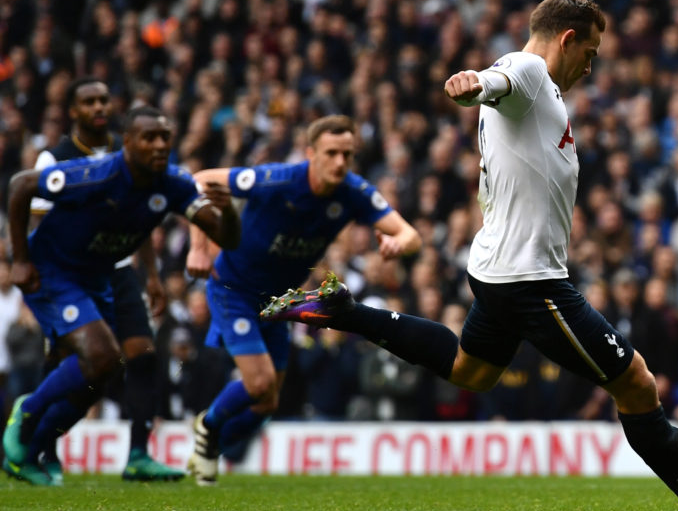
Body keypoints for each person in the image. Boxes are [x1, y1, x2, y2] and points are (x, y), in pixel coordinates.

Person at [261, 0, 678, 511]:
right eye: (590, 53)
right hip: (529, 280)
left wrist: (483, 86)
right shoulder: (530, 71)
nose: (591, 66)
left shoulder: (539, 92)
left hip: (497, 268)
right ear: (567, 39)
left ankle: (346, 312)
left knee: (470, 371)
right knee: (636, 380)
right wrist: (472, 84)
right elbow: (498, 79)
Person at [2, 106, 240, 485]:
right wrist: (19, 260)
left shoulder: (172, 184)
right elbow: (21, 185)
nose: (159, 145)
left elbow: (225, 236)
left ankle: (35, 447)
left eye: (165, 137)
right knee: (101, 355)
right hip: (52, 272)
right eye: (149, 138)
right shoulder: (95, 174)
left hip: (99, 276)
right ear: (127, 142)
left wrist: (227, 212)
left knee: (104, 371)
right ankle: (27, 412)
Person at [183, 114, 421, 485]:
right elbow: (200, 180)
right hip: (234, 290)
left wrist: (397, 243)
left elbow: (411, 235)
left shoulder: (353, 193)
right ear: (311, 153)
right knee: (258, 383)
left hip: (279, 302)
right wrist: (199, 247)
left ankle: (210, 439)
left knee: (267, 403)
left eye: (347, 154)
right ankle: (208, 426)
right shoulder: (276, 179)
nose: (340, 162)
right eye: (331, 153)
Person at [28, 77, 184, 483]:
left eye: (103, 99)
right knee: (72, 363)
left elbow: (142, 216)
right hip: (72, 273)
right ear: (73, 111)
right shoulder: (54, 158)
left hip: (119, 269)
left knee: (143, 356)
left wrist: (152, 275)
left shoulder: (128, 151)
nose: (99, 107)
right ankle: (40, 446)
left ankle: (139, 454)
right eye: (89, 101)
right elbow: (41, 223)